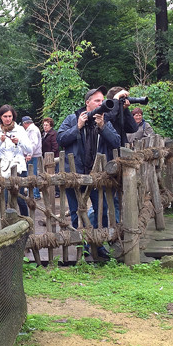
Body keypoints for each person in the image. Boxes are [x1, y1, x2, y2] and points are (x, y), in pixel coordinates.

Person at [57, 86, 121, 242]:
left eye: (102, 100)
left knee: (102, 210)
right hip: (75, 175)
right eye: (97, 100)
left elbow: (116, 142)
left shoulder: (104, 120)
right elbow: (60, 139)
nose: (101, 103)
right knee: (76, 212)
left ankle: (99, 244)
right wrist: (77, 126)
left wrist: (103, 127)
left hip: (98, 176)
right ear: (88, 103)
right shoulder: (72, 118)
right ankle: (80, 246)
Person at [0, 105, 32, 216]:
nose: (8, 119)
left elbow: (29, 150)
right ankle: (3, 223)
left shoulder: (20, 129)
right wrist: (0, 141)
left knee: (20, 198)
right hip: (2, 170)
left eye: (10, 116)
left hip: (18, 168)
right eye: (5, 116)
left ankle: (25, 221)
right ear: (0, 117)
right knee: (3, 199)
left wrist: (19, 142)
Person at [21, 115, 42, 200]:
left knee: (32, 175)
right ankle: (33, 194)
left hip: (33, 155)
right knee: (32, 174)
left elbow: (33, 143)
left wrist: (29, 154)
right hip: (34, 155)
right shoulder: (33, 129)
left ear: (25, 123)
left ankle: (35, 195)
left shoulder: (32, 130)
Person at [41, 117, 60, 198]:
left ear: (50, 126)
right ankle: (50, 190)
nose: (45, 127)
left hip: (53, 157)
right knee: (48, 174)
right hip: (45, 156)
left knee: (53, 174)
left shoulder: (53, 134)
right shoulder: (44, 134)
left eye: (47, 125)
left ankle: (57, 191)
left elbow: (55, 146)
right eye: (44, 125)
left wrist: (51, 156)